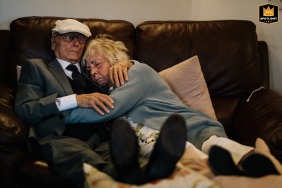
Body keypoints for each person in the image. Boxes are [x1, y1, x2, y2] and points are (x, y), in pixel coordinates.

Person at [67, 34, 281, 181]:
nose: (92, 71)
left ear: (115, 59)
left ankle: (255, 161)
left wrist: (62, 112)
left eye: (97, 63)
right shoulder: (109, 90)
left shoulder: (136, 72)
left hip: (190, 129)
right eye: (88, 68)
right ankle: (227, 172)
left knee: (214, 147)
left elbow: (107, 109)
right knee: (190, 162)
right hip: (158, 144)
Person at [14, 19, 132, 188]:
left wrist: (127, 63)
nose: (76, 43)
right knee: (99, 170)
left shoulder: (93, 70)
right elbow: (25, 110)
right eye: (69, 37)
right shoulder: (36, 67)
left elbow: (125, 80)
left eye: (81, 39)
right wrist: (75, 99)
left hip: (103, 139)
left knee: (133, 160)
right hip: (62, 137)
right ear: (53, 43)